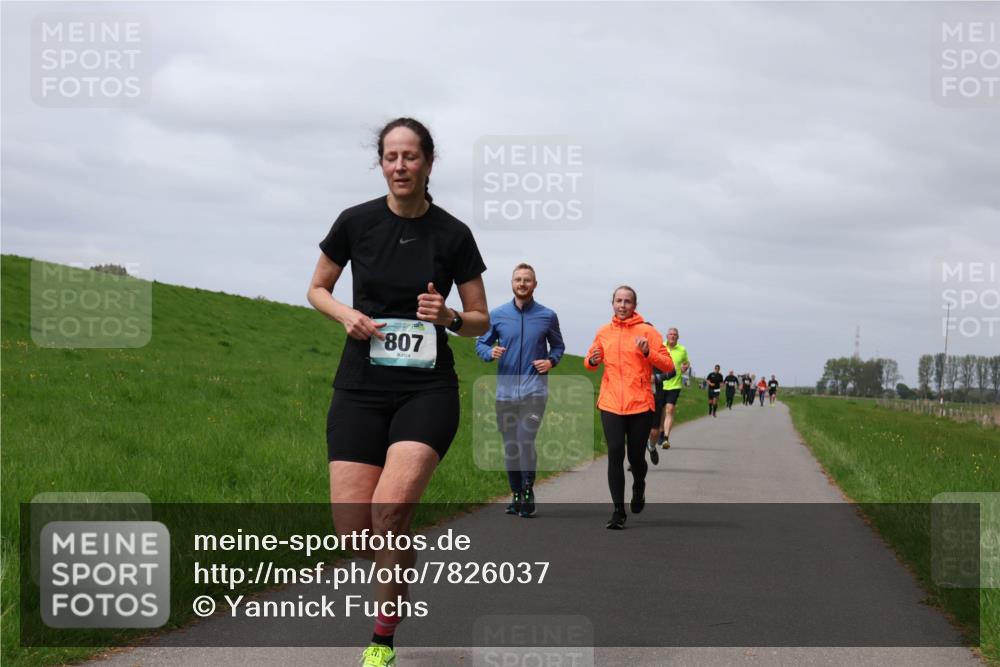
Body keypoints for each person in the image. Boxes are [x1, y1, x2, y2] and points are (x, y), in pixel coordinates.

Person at [307, 118, 489, 667]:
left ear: (429, 163)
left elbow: (480, 319)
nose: (401, 166)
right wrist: (346, 315)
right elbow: (317, 287)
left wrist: (451, 315)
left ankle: (382, 636)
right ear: (381, 163)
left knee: (389, 515)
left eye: (411, 156)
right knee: (355, 533)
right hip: (360, 386)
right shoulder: (355, 222)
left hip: (427, 391)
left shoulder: (453, 234)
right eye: (391, 156)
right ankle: (397, 566)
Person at [476, 263, 565, 518]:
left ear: (535, 284)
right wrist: (489, 352)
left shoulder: (547, 315)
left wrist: (551, 361)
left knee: (525, 440)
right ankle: (515, 493)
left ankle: (528, 490)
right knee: (511, 445)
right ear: (512, 283)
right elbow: (480, 343)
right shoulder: (498, 315)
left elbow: (558, 347)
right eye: (518, 280)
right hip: (505, 394)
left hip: (534, 390)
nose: (522, 284)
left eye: (527, 280)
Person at [585, 286, 674, 529]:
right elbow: (592, 359)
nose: (622, 305)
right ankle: (617, 511)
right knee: (615, 453)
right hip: (611, 402)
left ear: (634, 305)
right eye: (618, 301)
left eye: (627, 301)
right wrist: (591, 361)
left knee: (636, 458)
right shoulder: (604, 332)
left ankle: (639, 485)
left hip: (640, 404)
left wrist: (647, 352)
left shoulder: (648, 331)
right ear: (612, 303)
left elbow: (667, 364)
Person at [649, 327, 690, 450]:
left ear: (678, 337)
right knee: (661, 411)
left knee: (670, 409)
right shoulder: (660, 347)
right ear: (667, 336)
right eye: (670, 334)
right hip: (661, 384)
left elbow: (686, 362)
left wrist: (685, 367)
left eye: (674, 334)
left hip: (674, 384)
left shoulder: (682, 350)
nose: (672, 336)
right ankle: (660, 431)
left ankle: (665, 437)